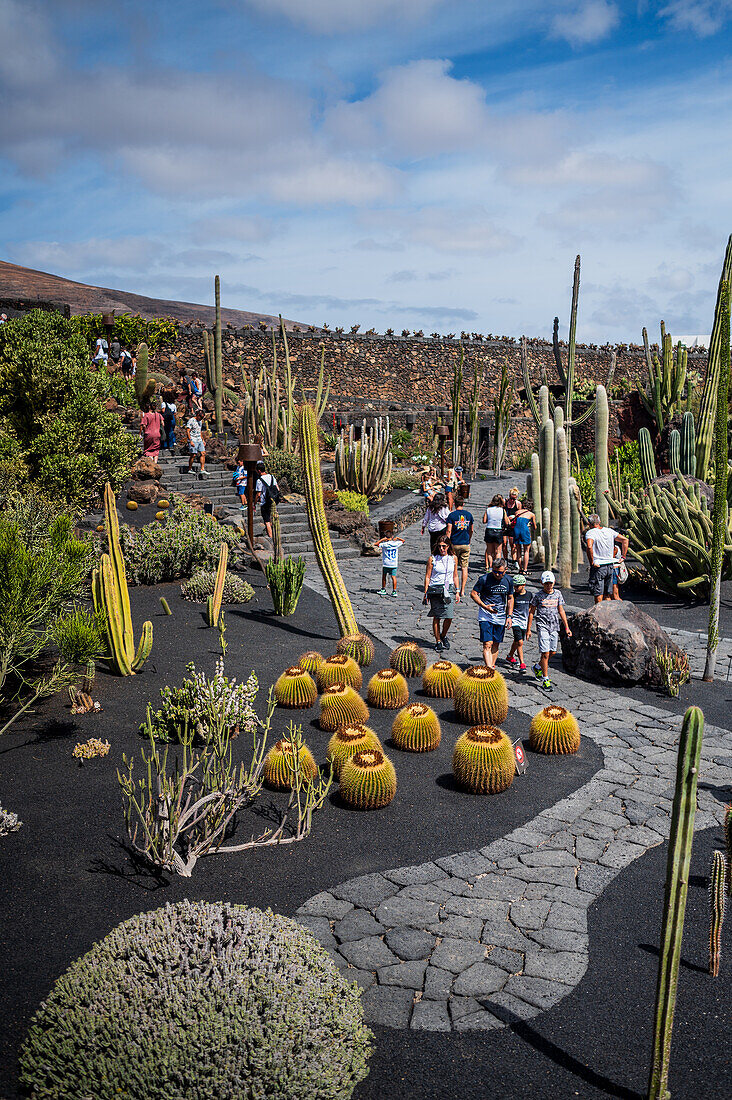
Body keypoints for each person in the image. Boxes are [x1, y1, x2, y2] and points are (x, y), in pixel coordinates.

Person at [526, 570, 573, 690]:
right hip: (543, 627)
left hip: (554, 627)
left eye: (550, 583)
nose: (548, 585)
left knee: (552, 652)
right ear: (542, 583)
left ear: (554, 582)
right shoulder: (538, 596)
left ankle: (537, 667)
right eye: (546, 583)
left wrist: (567, 627)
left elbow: (561, 610)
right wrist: (528, 629)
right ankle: (545, 679)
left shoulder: (557, 594)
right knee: (545, 653)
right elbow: (532, 612)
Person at [471, 558, 514, 669]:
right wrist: (484, 606)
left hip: (500, 617)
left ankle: (492, 667)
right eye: (494, 571)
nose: (497, 574)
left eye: (500, 572)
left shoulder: (509, 580)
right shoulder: (484, 579)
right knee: (487, 644)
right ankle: (489, 669)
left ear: (506, 570)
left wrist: (509, 616)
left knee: (495, 643)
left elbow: (510, 598)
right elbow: (473, 594)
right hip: (485, 615)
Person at [423, 536, 460, 652]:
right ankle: (438, 640)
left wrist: (458, 590)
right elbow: (428, 576)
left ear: (448, 546)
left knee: (449, 616)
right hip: (435, 589)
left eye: (444, 546)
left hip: (448, 588)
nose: (441, 548)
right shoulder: (433, 559)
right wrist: (426, 592)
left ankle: (443, 635)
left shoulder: (453, 558)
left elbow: (455, 575)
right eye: (439, 546)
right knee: (437, 616)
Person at [585, 515, 629, 603]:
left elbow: (589, 546)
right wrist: (623, 557)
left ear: (589, 524)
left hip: (599, 567)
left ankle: (598, 615)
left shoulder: (591, 533)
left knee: (598, 594)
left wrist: (592, 562)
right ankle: (606, 615)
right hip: (610, 566)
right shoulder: (609, 531)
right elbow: (625, 540)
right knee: (607, 594)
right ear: (599, 522)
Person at [446, 497, 474, 598]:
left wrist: (447, 543)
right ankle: (462, 590)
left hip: (454, 543)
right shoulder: (469, 515)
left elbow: (449, 531)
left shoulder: (452, 515)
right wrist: (469, 539)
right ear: (463, 503)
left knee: (453, 566)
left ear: (454, 503)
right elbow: (471, 530)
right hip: (465, 543)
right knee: (464, 567)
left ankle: (453, 587)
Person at [506, 573, 531, 671]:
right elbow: (509, 606)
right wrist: (509, 617)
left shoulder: (529, 595)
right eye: (514, 586)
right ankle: (522, 663)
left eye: (517, 586)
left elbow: (531, 608)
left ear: (523, 585)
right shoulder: (513, 595)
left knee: (517, 641)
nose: (515, 588)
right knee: (520, 642)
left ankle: (510, 656)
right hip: (515, 621)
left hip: (524, 621)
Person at [512, 497, 537, 574]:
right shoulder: (531, 514)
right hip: (525, 531)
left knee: (518, 550)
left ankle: (520, 568)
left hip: (516, 531)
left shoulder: (517, 512)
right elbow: (535, 527)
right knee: (526, 550)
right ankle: (525, 570)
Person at [255, 460, 280, 539]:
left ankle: (271, 537)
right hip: (273, 501)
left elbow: (258, 494)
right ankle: (275, 535)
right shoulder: (272, 477)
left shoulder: (259, 481)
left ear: (259, 471)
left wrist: (254, 503)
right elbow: (278, 489)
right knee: (272, 518)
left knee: (267, 521)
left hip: (265, 502)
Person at [375, 533, 405, 598]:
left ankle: (383, 589)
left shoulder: (384, 544)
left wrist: (382, 539)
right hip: (394, 564)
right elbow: (403, 541)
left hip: (386, 563)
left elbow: (376, 544)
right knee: (393, 577)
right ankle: (394, 591)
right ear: (392, 536)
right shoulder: (396, 543)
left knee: (384, 576)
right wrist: (397, 538)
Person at [482, 494, 507, 569]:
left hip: (489, 530)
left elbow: (484, 521)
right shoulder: (502, 510)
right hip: (498, 530)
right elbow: (506, 522)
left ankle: (490, 567)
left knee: (489, 551)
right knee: (498, 551)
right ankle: (497, 566)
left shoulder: (488, 509)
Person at [186, 409, 207, 476]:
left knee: (203, 453)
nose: (201, 419)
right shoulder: (191, 420)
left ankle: (202, 469)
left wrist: (202, 440)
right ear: (198, 415)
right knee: (193, 454)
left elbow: (199, 431)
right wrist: (190, 440)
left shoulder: (200, 422)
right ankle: (190, 468)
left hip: (199, 439)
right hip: (193, 439)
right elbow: (188, 431)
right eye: (200, 417)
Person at [504, 487, 521, 562]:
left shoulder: (518, 504)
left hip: (513, 525)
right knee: (504, 543)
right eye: (511, 498)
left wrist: (514, 516)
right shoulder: (505, 502)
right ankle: (505, 559)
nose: (512, 500)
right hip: (505, 525)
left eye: (514, 499)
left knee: (512, 544)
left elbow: (520, 514)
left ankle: (514, 560)